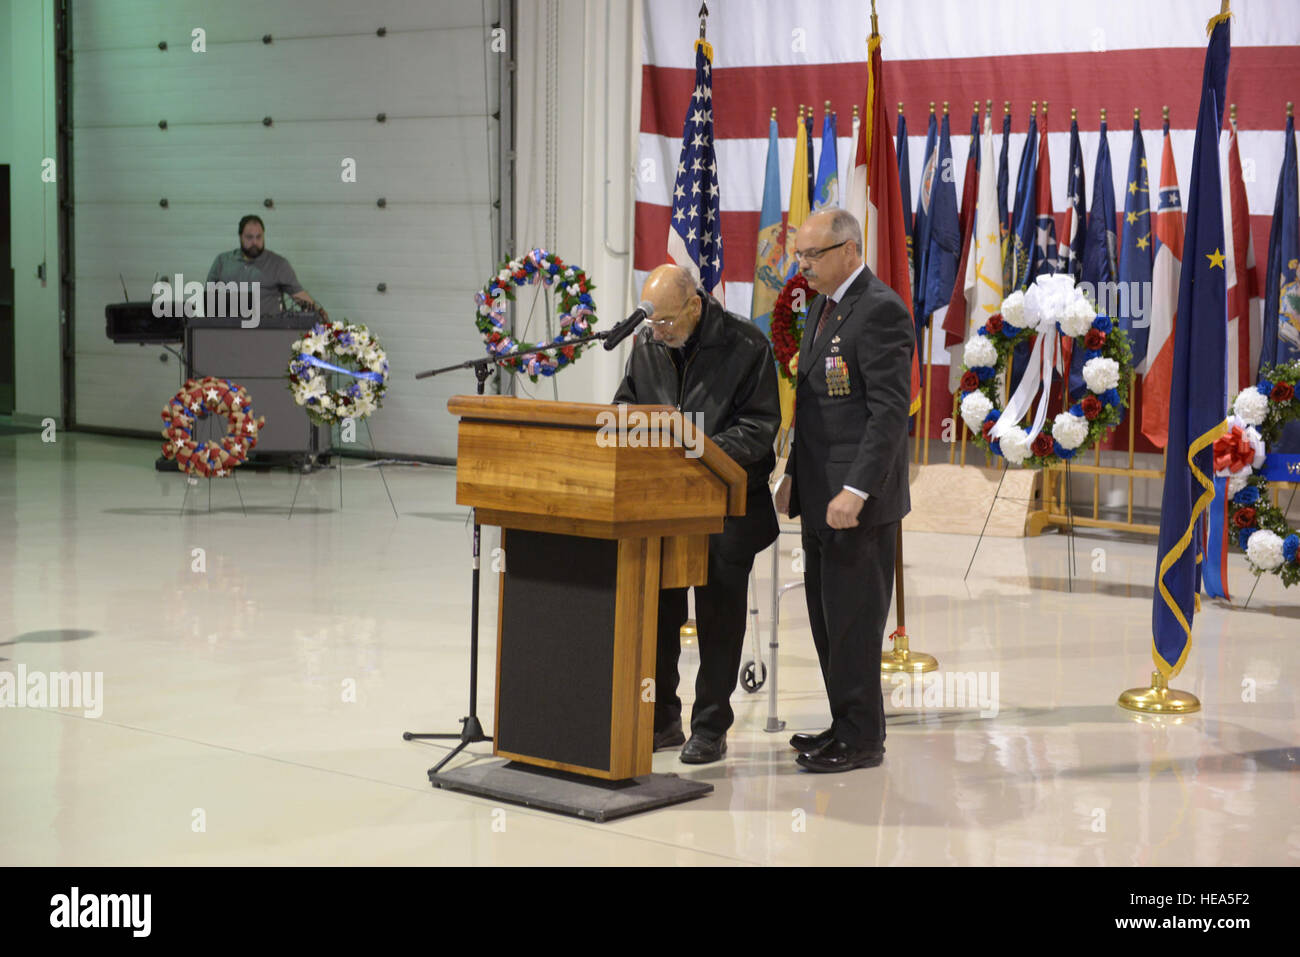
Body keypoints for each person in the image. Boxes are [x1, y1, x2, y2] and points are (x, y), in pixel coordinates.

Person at [613, 264, 780, 763]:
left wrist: (694, 450)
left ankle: (710, 726)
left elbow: (759, 428)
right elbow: (626, 406)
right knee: (658, 614)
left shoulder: (747, 346)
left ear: (694, 305)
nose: (657, 332)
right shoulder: (647, 347)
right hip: (665, 507)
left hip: (730, 505)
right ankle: (662, 718)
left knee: (718, 617)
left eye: (665, 322)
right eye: (652, 323)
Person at [774, 208, 914, 773]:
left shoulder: (878, 310)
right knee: (828, 618)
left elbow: (887, 413)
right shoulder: (823, 307)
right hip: (818, 493)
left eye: (812, 255)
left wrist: (856, 488)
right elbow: (813, 404)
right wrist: (791, 477)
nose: (801, 265)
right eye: (800, 255)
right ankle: (844, 722)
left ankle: (862, 740)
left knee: (854, 623)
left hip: (855, 502)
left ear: (850, 250)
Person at [206, 215, 326, 320]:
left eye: (259, 237)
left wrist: (319, 313)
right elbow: (208, 299)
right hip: (228, 329)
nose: (255, 242)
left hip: (268, 330)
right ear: (240, 236)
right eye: (249, 237)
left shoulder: (278, 264)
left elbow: (298, 295)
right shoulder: (223, 261)